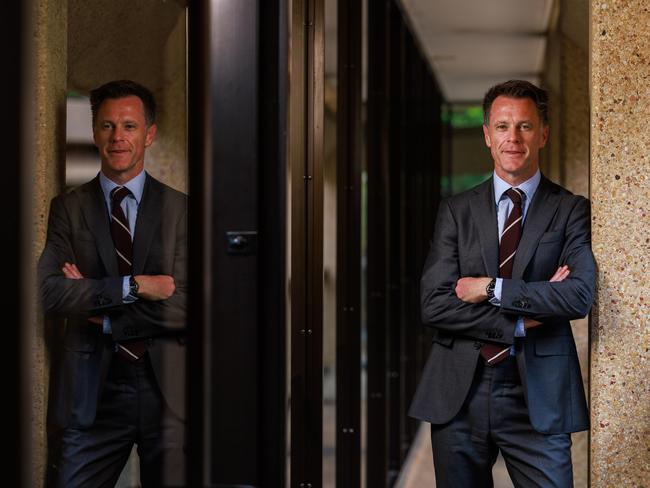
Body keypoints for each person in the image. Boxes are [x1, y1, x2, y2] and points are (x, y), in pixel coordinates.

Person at [409, 80, 596, 487]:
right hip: (460, 392)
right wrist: (517, 322)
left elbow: (578, 295)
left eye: (525, 127)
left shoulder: (570, 211)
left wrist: (489, 288)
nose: (513, 138)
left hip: (539, 395)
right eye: (502, 126)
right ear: (487, 136)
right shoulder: (456, 211)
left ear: (543, 134)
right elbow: (435, 304)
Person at [38, 80, 187, 487]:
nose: (117, 137)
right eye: (107, 126)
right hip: (92, 395)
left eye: (129, 126)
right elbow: (50, 291)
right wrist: (135, 286)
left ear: (149, 134)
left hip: (168, 395)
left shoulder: (181, 210)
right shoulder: (68, 209)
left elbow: (187, 305)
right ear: (94, 132)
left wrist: (103, 317)